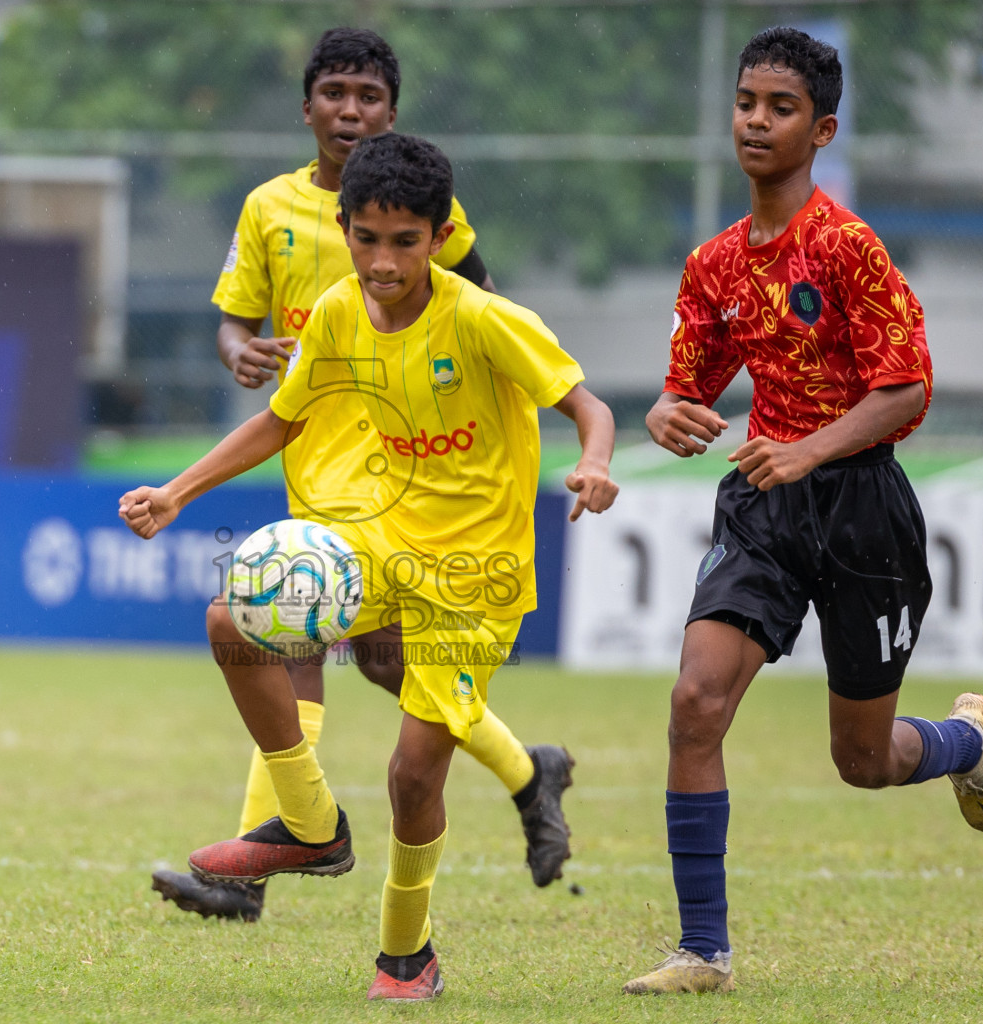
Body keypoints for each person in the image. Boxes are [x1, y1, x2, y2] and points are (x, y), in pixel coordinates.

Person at [121, 133, 618, 1001]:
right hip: (381, 543)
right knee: (233, 618)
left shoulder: (482, 318)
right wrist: (177, 493)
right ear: (345, 227)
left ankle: (405, 951)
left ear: (438, 237)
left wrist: (595, 463)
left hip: (474, 575)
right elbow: (280, 418)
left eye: (406, 241)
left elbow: (589, 405)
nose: (384, 261)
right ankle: (313, 827)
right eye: (367, 238)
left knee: (412, 774)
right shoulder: (340, 313)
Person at [624, 27, 983, 995]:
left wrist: (805, 446)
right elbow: (687, 385)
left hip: (863, 510)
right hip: (764, 504)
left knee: (864, 760)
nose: (757, 120)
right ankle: (703, 952)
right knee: (693, 702)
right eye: (747, 102)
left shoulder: (846, 248)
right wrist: (668, 413)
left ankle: (969, 743)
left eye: (781, 107)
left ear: (822, 128)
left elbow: (906, 389)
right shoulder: (713, 264)